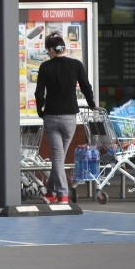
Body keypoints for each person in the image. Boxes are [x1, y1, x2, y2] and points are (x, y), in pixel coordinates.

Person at [34, 32, 96, 204]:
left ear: (52, 50)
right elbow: (86, 86)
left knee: (57, 158)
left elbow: (39, 92)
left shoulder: (45, 67)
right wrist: (91, 104)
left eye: (48, 51)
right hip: (70, 118)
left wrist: (40, 110)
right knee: (59, 157)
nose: (48, 54)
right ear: (63, 48)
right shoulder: (76, 65)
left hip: (52, 117)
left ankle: (62, 194)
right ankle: (50, 193)